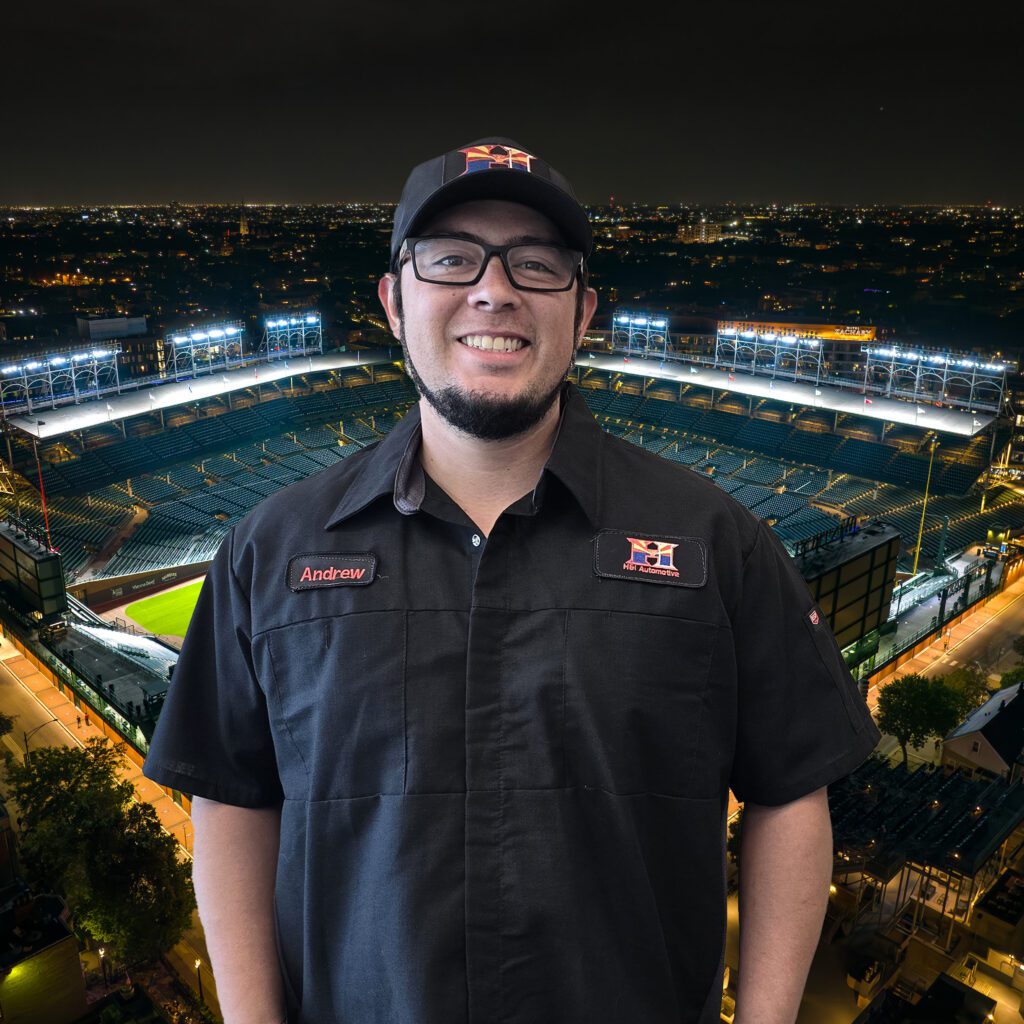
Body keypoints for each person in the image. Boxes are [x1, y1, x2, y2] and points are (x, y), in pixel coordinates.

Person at [142, 137, 881, 1024]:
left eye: (536, 264)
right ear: (392, 301)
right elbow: (231, 801)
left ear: (583, 311)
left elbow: (790, 794)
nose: (494, 291)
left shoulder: (719, 543)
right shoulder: (266, 552)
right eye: (452, 258)